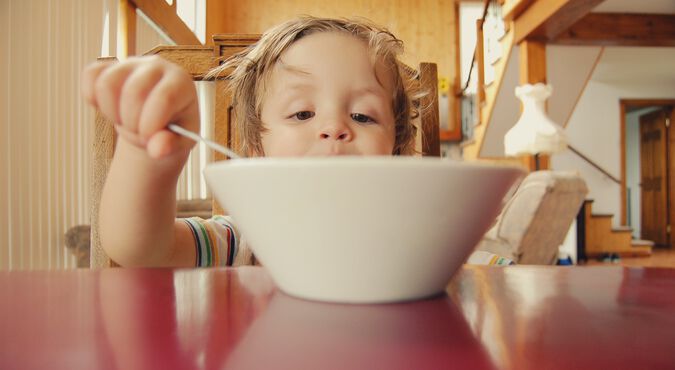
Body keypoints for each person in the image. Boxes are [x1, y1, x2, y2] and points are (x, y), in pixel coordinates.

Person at [82, 16, 513, 268]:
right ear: (257, 151)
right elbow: (138, 248)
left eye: (362, 115)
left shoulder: (430, 245)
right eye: (302, 114)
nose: (333, 128)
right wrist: (148, 154)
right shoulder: (244, 241)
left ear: (397, 151)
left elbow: (501, 276)